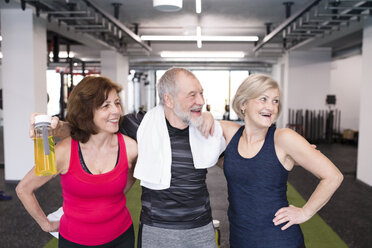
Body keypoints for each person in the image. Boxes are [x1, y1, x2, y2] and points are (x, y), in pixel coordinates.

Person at [30, 68, 224, 248]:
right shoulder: (141, 125)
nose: (200, 100)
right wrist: (56, 127)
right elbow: (91, 127)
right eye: (192, 95)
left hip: (200, 226)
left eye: (201, 93)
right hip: (156, 228)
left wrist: (209, 118)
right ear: (169, 100)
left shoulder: (205, 128)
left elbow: (232, 150)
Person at [217, 74, 343, 247]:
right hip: (240, 237)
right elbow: (198, 125)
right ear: (243, 103)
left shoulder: (284, 138)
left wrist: (305, 212)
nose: (271, 107)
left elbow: (333, 177)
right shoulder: (230, 133)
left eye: (275, 101)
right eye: (263, 99)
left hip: (278, 239)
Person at [17, 76, 138, 248]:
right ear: (86, 112)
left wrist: (114, 198)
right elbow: (24, 189)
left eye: (117, 103)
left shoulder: (131, 148)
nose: (116, 111)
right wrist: (46, 224)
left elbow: (132, 173)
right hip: (74, 241)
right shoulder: (64, 152)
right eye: (106, 105)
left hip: (121, 237)